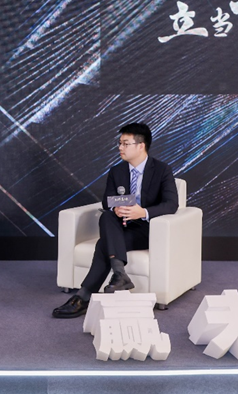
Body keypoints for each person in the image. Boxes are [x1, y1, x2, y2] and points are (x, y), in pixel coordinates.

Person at [52, 122, 178, 318]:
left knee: (104, 244)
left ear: (141, 145)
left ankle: (83, 297)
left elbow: (171, 204)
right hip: (121, 227)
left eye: (125, 144)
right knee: (107, 215)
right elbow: (106, 201)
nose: (120, 147)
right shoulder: (117, 171)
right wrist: (117, 208)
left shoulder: (162, 170)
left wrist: (142, 212)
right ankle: (119, 274)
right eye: (119, 143)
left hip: (147, 230)